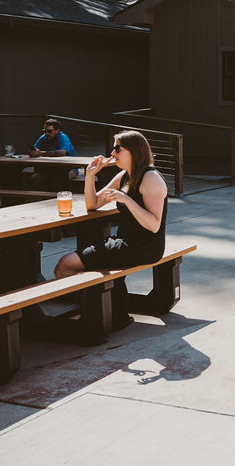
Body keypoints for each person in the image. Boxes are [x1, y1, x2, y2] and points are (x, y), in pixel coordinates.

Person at [54, 130, 168, 330]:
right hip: (123, 242)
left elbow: (154, 225)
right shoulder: (124, 176)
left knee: (65, 266)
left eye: (117, 149)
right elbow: (94, 203)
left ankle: (103, 311)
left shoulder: (151, 178)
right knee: (66, 267)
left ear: (134, 151)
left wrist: (126, 199)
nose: (112, 153)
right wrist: (90, 175)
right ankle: (110, 309)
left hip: (143, 246)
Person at [28, 118, 77, 190]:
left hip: (69, 168)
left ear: (57, 130)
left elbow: (62, 152)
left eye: (49, 131)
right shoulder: (43, 137)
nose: (46, 133)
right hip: (51, 168)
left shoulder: (63, 137)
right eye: (45, 131)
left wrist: (40, 153)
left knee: (59, 178)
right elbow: (35, 148)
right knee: (35, 178)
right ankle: (44, 198)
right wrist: (32, 151)